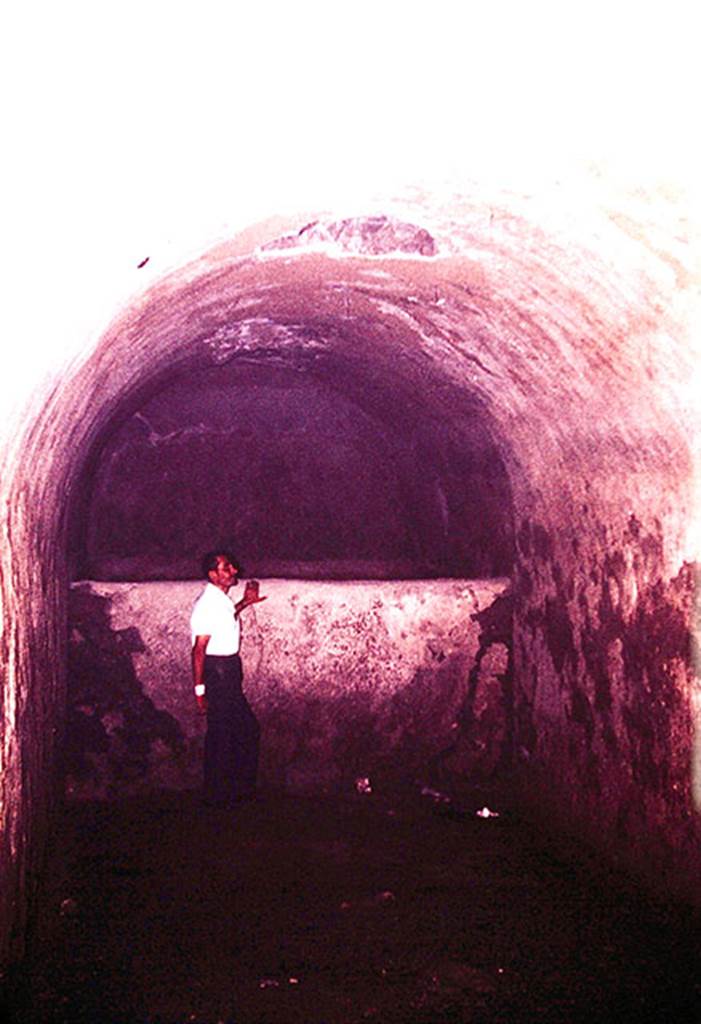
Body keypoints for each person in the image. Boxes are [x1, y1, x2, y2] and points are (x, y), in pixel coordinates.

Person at [190, 551, 266, 808]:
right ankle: (223, 796)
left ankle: (226, 793)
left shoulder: (219, 601)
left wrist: (245, 603)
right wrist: (200, 692)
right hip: (218, 673)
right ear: (213, 575)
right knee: (232, 732)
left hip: (228, 671)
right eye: (226, 568)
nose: (233, 570)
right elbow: (198, 650)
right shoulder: (206, 604)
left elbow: (225, 621)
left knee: (231, 732)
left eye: (231, 566)